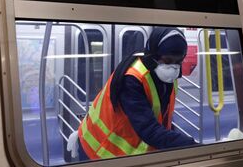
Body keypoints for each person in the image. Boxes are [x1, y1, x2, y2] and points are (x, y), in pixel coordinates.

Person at [67, 27, 197, 160]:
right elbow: (149, 130)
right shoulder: (132, 80)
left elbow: (161, 117)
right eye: (168, 60)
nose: (174, 67)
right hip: (100, 150)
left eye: (179, 61)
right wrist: (192, 146)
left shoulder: (169, 79)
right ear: (153, 56)